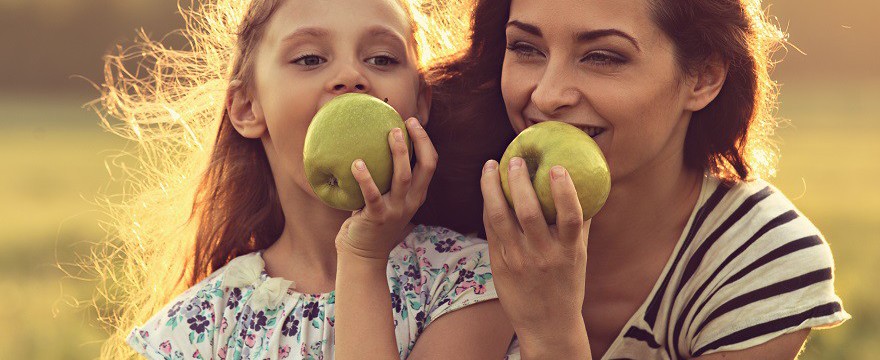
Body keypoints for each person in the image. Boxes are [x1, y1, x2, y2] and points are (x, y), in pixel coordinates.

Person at [426, 0, 851, 358]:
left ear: (703, 76)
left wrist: (551, 330)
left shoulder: (759, 261)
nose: (546, 95)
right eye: (525, 47)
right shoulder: (434, 197)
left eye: (602, 56)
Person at [104, 0, 514, 358]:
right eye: (310, 59)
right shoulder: (202, 323)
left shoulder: (470, 280)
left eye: (382, 59)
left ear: (420, 101)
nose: (351, 75)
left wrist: (364, 257)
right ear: (247, 106)